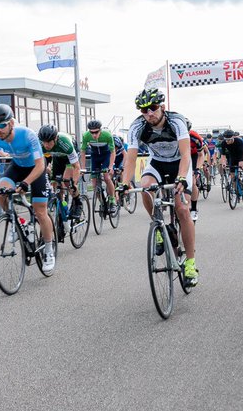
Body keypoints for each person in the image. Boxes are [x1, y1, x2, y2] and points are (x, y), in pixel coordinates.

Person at [120, 88, 198, 286]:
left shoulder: (176, 121)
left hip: (180, 163)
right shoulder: (137, 126)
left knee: (182, 209)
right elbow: (130, 158)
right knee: (146, 186)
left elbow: (186, 154)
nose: (149, 114)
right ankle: (157, 226)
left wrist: (181, 178)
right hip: (157, 162)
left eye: (153, 108)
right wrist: (125, 182)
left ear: (162, 107)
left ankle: (190, 263)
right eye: (144, 110)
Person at [0, 104, 56, 273]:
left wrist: (26, 183)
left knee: (40, 212)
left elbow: (40, 164)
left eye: (1, 125)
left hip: (36, 170)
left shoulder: (28, 135)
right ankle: (18, 222)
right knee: (1, 193)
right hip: (17, 166)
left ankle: (49, 251)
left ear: (11, 123)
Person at [38, 124, 83, 223]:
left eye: (49, 142)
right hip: (57, 157)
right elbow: (40, 162)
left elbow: (76, 167)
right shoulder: (41, 145)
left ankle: (78, 202)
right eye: (44, 142)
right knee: (55, 184)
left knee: (67, 181)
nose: (46, 145)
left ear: (56, 138)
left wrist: (74, 184)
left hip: (69, 157)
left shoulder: (65, 143)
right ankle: (62, 206)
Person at [80, 120, 116, 213]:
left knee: (107, 177)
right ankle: (102, 203)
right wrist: (83, 168)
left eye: (96, 132)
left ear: (100, 130)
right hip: (95, 157)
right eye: (92, 132)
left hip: (106, 157)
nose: (94, 135)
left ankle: (112, 200)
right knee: (94, 184)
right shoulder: (86, 135)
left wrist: (111, 166)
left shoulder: (107, 135)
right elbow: (83, 152)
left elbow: (112, 152)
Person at [218, 130, 243, 199]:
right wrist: (224, 163)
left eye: (229, 140)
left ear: (233, 137)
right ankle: (236, 190)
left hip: (240, 155)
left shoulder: (239, 141)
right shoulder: (223, 143)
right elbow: (223, 155)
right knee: (232, 176)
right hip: (233, 157)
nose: (227, 142)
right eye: (226, 140)